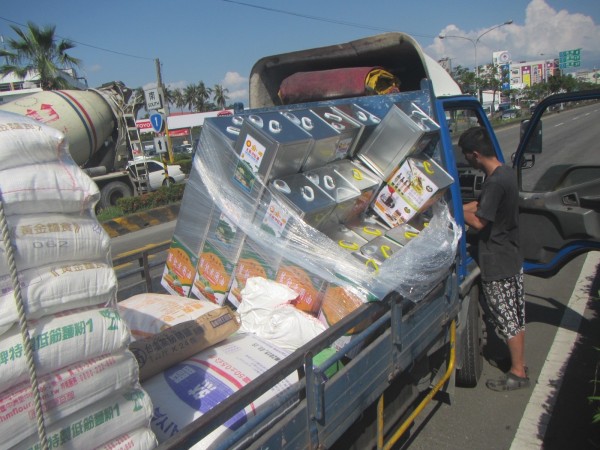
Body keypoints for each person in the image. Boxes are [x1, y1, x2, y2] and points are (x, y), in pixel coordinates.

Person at [459, 126, 529, 391]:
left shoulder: (496, 182)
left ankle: (518, 372)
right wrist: (455, 204)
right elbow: (480, 204)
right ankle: (517, 361)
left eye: (467, 157)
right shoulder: (504, 174)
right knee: (515, 314)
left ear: (476, 155)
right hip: (510, 254)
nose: (467, 161)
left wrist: (454, 212)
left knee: (506, 316)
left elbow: (478, 220)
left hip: (497, 259)